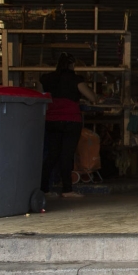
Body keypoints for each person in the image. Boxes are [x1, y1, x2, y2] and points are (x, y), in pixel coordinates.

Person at [39, 53, 98, 198]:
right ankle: (67, 190)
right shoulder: (76, 79)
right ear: (72, 65)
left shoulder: (45, 79)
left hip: (51, 121)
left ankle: (44, 189)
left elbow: (39, 97)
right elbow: (92, 97)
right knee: (66, 155)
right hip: (71, 121)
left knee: (51, 155)